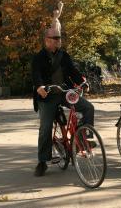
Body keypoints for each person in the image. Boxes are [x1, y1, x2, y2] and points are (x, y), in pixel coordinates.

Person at [32, 28, 94, 177]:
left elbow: (73, 71)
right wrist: (39, 87)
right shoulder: (38, 57)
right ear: (47, 40)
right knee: (45, 127)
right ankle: (42, 161)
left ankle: (82, 139)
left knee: (88, 107)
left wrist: (82, 82)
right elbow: (36, 75)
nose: (59, 40)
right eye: (55, 38)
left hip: (65, 93)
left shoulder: (63, 55)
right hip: (47, 96)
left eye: (59, 38)